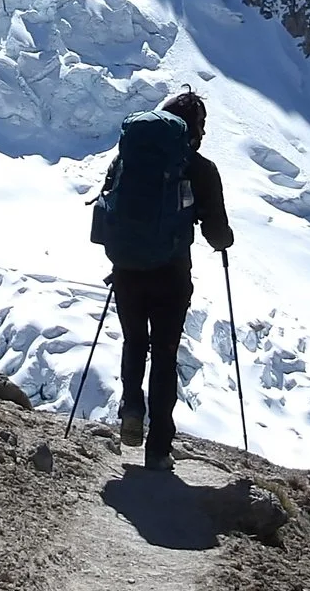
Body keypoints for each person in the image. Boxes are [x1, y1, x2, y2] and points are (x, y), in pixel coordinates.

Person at [92, 89, 233, 471]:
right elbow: (217, 232)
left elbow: (110, 208)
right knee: (165, 354)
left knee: (134, 341)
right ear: (196, 128)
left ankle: (132, 407)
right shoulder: (199, 168)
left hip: (126, 270)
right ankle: (159, 448)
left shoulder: (127, 157)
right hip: (171, 275)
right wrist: (223, 240)